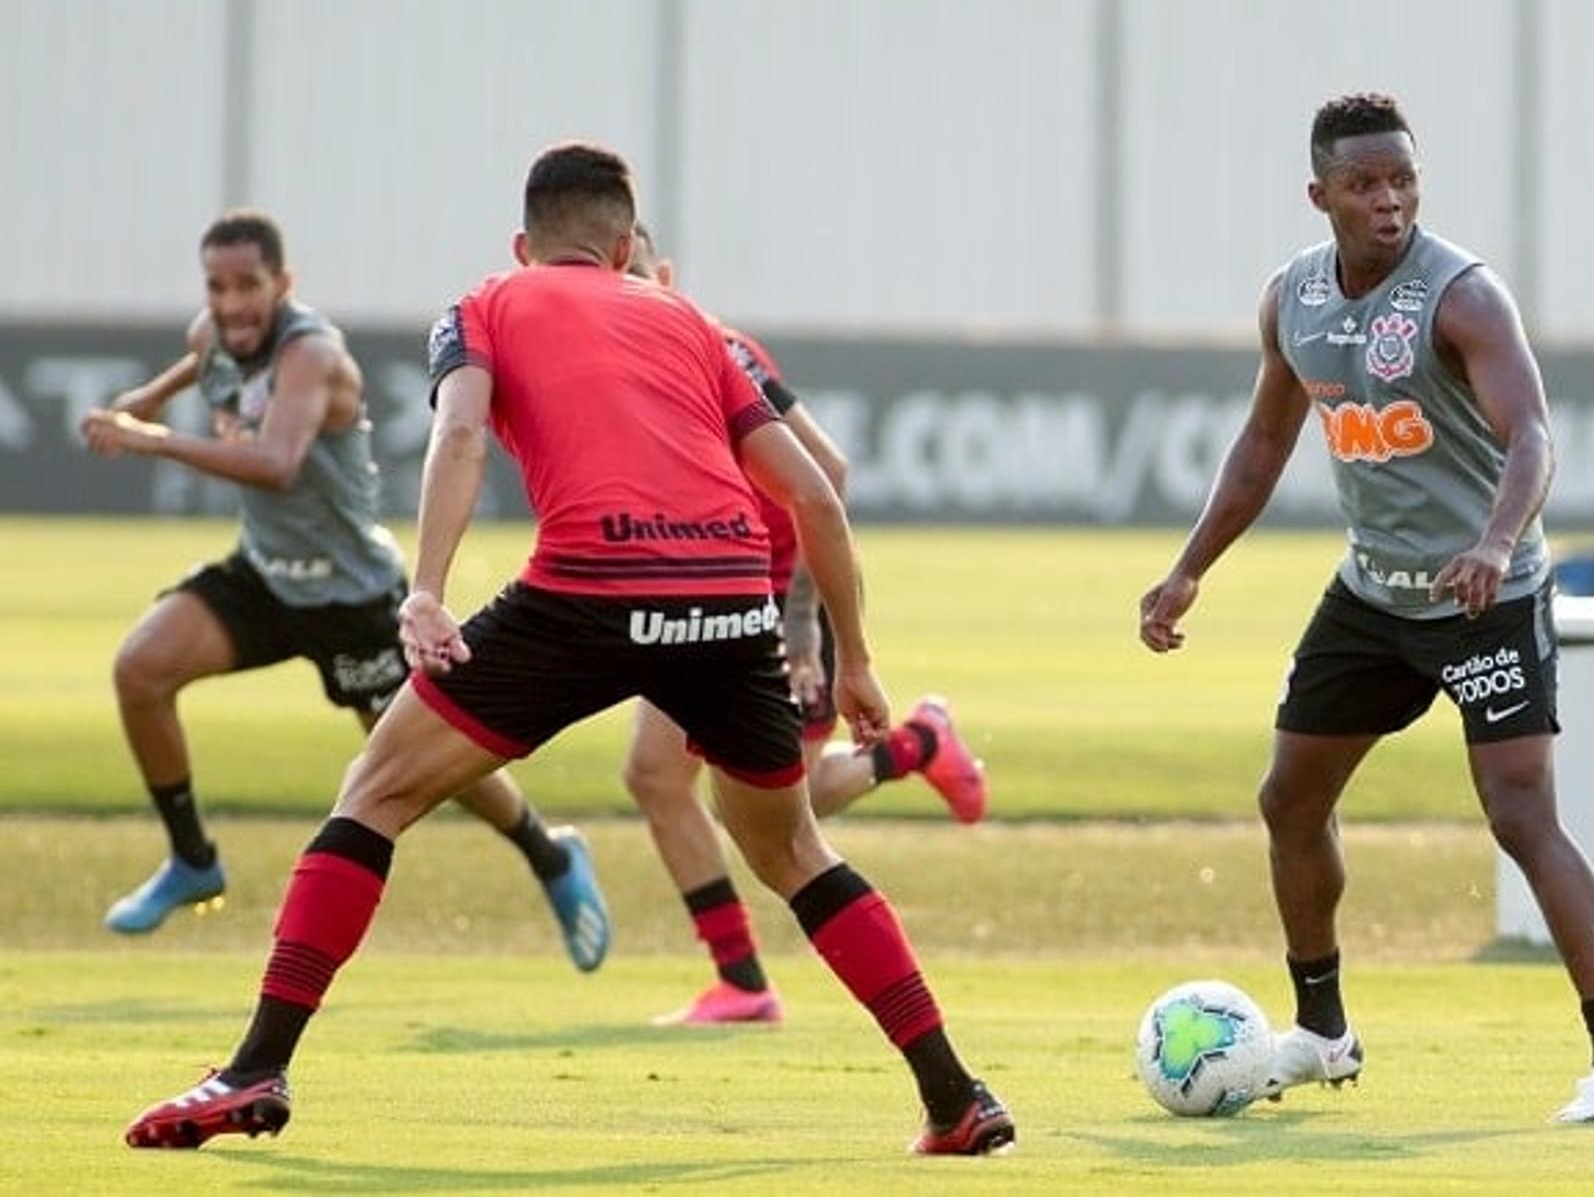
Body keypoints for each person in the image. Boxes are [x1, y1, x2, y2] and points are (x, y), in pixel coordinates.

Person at [124, 146, 1015, 1156]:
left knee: (376, 793)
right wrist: (854, 657)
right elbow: (812, 489)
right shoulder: (694, 322)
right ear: (630, 246)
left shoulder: (484, 304)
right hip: (727, 602)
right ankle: (956, 1099)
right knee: (794, 845)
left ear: (523, 243)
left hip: (588, 586)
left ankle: (254, 1070)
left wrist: (425, 590)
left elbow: (458, 438)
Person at [1138, 93, 1594, 1126]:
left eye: (1402, 180)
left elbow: (1534, 438)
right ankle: (1323, 1031)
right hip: (1373, 595)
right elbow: (1262, 447)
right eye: (1364, 184)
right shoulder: (1289, 299)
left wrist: (1494, 541)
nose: (1389, 202)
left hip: (1487, 593)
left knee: (1520, 813)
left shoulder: (1462, 296)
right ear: (1320, 194)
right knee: (1289, 800)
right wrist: (1189, 567)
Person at [78, 210, 611, 972]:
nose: (232, 303)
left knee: (414, 761)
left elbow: (278, 462)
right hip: (265, 576)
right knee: (140, 669)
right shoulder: (214, 332)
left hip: (352, 596)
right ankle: (193, 860)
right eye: (218, 287)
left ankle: (549, 854)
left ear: (282, 284)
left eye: (248, 286)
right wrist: (144, 401)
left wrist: (151, 440)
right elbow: (194, 366)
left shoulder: (312, 355)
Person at [619, 224, 987, 1027]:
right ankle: (742, 981)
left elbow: (828, 473)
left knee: (783, 812)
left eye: (642, 277)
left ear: (668, 274)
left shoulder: (722, 350)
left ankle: (917, 741)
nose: (633, 296)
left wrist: (802, 627)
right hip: (698, 597)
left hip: (778, 603)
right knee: (654, 774)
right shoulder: (620, 362)